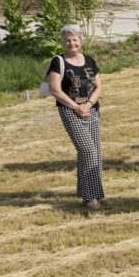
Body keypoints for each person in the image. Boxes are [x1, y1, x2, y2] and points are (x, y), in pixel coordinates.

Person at [47, 25, 104, 211]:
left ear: (80, 41)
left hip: (91, 110)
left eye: (75, 39)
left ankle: (89, 193)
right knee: (88, 151)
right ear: (62, 43)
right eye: (68, 40)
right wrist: (76, 107)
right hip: (69, 110)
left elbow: (99, 87)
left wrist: (88, 105)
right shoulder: (58, 62)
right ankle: (90, 197)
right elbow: (55, 90)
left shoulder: (89, 60)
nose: (72, 43)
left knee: (93, 152)